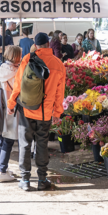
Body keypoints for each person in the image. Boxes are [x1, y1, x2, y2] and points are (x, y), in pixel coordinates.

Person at [8, 33, 65, 191]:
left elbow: (18, 84)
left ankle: (25, 180)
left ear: (35, 44)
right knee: (42, 144)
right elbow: (60, 94)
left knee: (25, 144)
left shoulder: (27, 59)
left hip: (27, 109)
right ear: (48, 44)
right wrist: (57, 113)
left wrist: (11, 103)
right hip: (45, 113)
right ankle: (42, 179)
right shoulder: (58, 64)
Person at [0, 45, 23, 183]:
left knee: (0, 139)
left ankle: (2, 169)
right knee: (8, 140)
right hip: (13, 109)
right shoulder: (19, 72)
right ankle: (2, 171)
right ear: (17, 56)